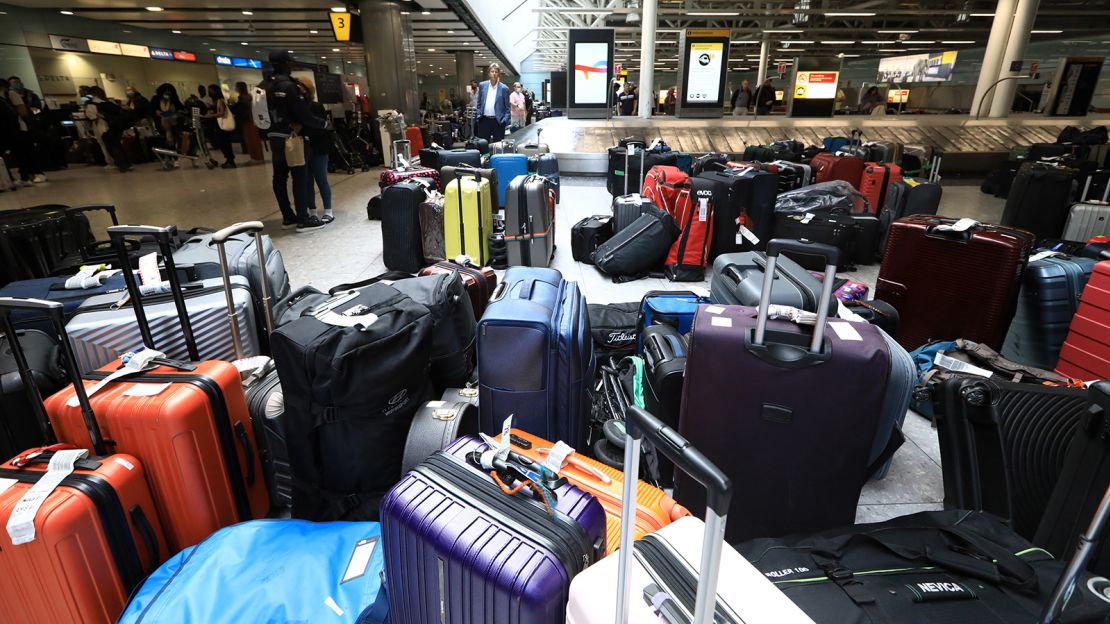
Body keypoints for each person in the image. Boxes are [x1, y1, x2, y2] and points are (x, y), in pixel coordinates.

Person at [263, 50, 327, 232]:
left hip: (274, 136)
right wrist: (321, 123)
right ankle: (303, 219)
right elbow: (303, 115)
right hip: (292, 137)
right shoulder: (289, 87)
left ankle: (287, 217)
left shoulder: (264, 85)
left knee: (279, 178)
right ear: (285, 63)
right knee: (300, 177)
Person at [296, 79, 334, 224]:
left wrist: (303, 127)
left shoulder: (316, 106)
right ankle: (312, 211)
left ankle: (328, 211)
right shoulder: (297, 107)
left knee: (321, 179)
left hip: (318, 148)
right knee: (307, 182)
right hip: (303, 147)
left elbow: (321, 127)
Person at [5, 78, 46, 183]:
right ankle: (26, 175)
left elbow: (38, 111)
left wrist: (29, 110)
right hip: (19, 128)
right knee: (22, 152)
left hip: (31, 125)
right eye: (14, 83)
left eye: (18, 82)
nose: (17, 85)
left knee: (31, 150)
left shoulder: (31, 96)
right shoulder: (8, 96)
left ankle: (38, 172)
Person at [87, 86, 132, 172]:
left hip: (102, 128)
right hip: (115, 127)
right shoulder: (109, 102)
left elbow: (93, 118)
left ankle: (114, 163)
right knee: (118, 145)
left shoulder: (91, 105)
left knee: (107, 146)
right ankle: (127, 163)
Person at [475, 63, 510, 143]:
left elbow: (507, 108)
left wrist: (504, 120)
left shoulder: (504, 88)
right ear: (488, 73)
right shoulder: (482, 85)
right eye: (492, 71)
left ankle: (496, 156)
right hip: (484, 120)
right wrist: (478, 114)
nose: (494, 73)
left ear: (498, 74)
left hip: (498, 121)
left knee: (498, 145)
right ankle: (485, 156)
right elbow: (479, 103)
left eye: (496, 72)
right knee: (483, 144)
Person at [206, 84, 236, 168]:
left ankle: (230, 161)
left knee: (225, 143)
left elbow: (222, 113)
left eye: (210, 90)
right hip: (218, 126)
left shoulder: (220, 101)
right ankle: (229, 160)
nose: (209, 92)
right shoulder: (217, 101)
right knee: (223, 144)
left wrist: (212, 115)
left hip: (221, 127)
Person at [154, 83, 183, 150]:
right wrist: (158, 113)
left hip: (175, 124)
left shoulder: (174, 100)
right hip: (161, 125)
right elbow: (152, 110)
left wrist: (175, 113)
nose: (167, 94)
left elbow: (180, 109)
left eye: (169, 93)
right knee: (166, 142)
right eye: (165, 92)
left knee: (177, 141)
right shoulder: (156, 100)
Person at [231, 82, 252, 154]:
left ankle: (246, 149)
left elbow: (238, 108)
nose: (235, 88)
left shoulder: (241, 97)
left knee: (244, 135)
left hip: (243, 119)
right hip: (249, 118)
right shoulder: (248, 96)